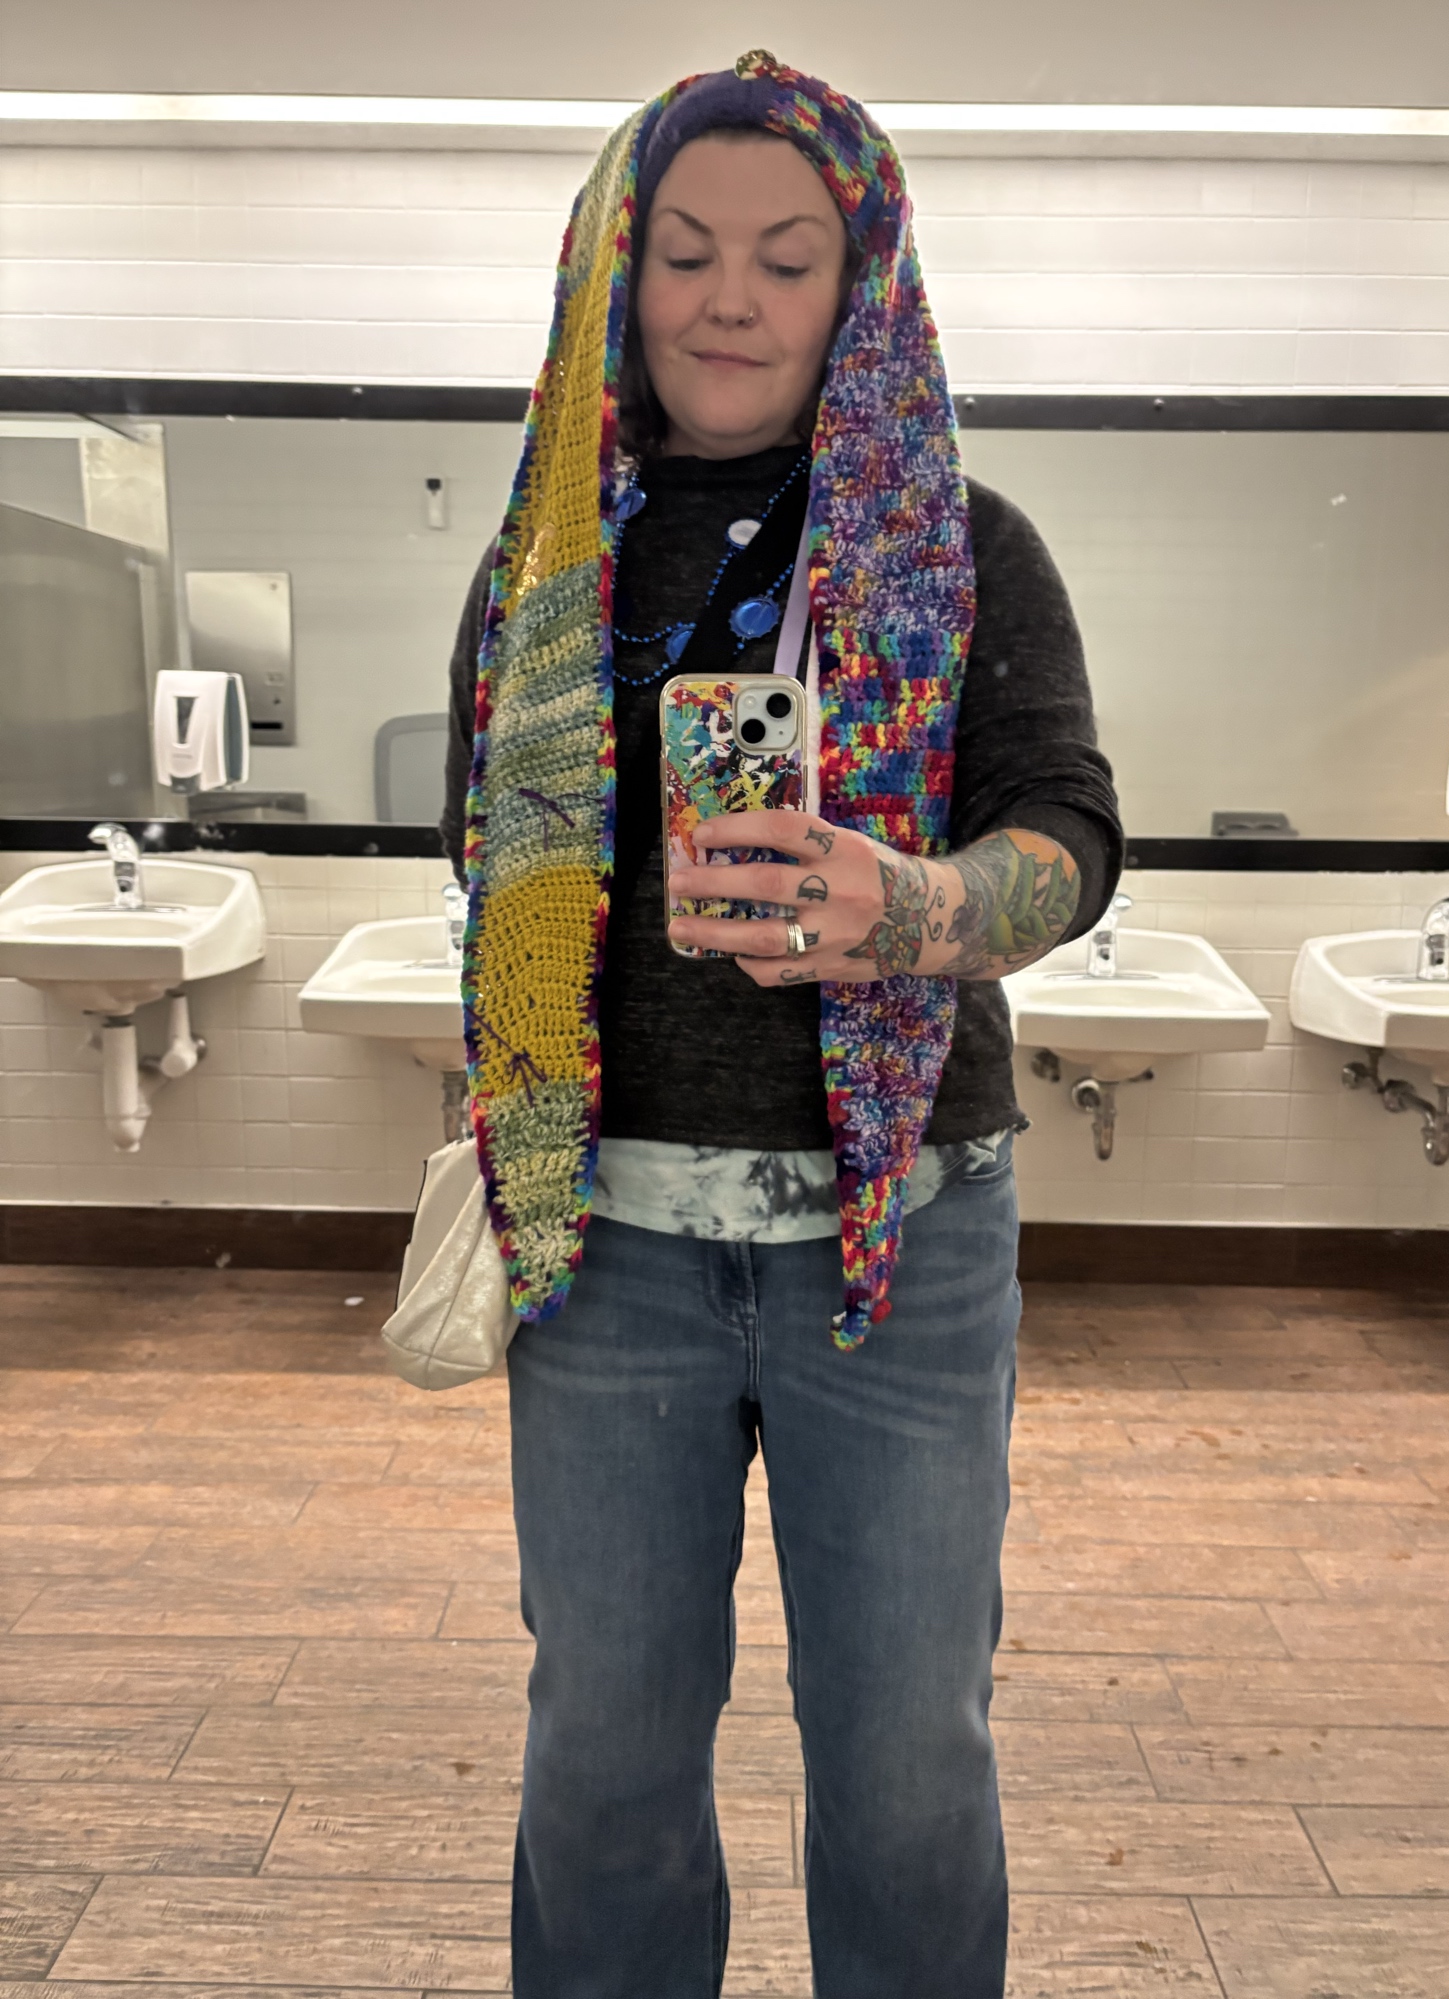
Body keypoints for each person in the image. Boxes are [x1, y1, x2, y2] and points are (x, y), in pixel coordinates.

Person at [441, 52, 1122, 1999]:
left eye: (786, 258)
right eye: (684, 253)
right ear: (616, 274)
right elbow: (477, 857)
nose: (729, 299)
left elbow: (1072, 840)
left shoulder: (966, 546)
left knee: (908, 1768)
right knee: (602, 1763)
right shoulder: (543, 566)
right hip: (610, 1248)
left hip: (903, 1241)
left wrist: (904, 904)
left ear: (859, 287)